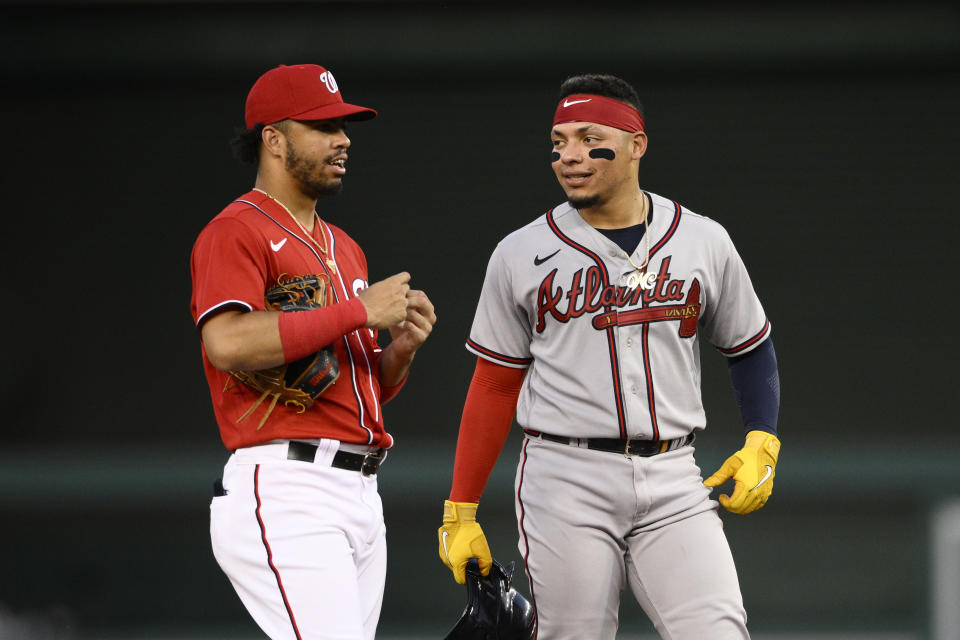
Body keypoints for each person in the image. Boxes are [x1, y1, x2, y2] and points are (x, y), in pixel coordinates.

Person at [437, 73, 781, 640]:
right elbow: (494, 384)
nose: (568, 156)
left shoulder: (703, 239)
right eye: (558, 142)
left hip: (674, 475)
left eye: (587, 138)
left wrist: (762, 437)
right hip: (564, 476)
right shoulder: (520, 253)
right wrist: (462, 507)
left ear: (635, 144)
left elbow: (749, 346)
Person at [190, 63, 436, 640]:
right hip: (286, 486)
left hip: (359, 488)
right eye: (324, 126)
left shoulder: (343, 246)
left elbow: (355, 386)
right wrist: (357, 312)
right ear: (273, 139)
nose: (343, 138)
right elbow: (225, 342)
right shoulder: (236, 230)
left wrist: (398, 352)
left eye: (344, 126)